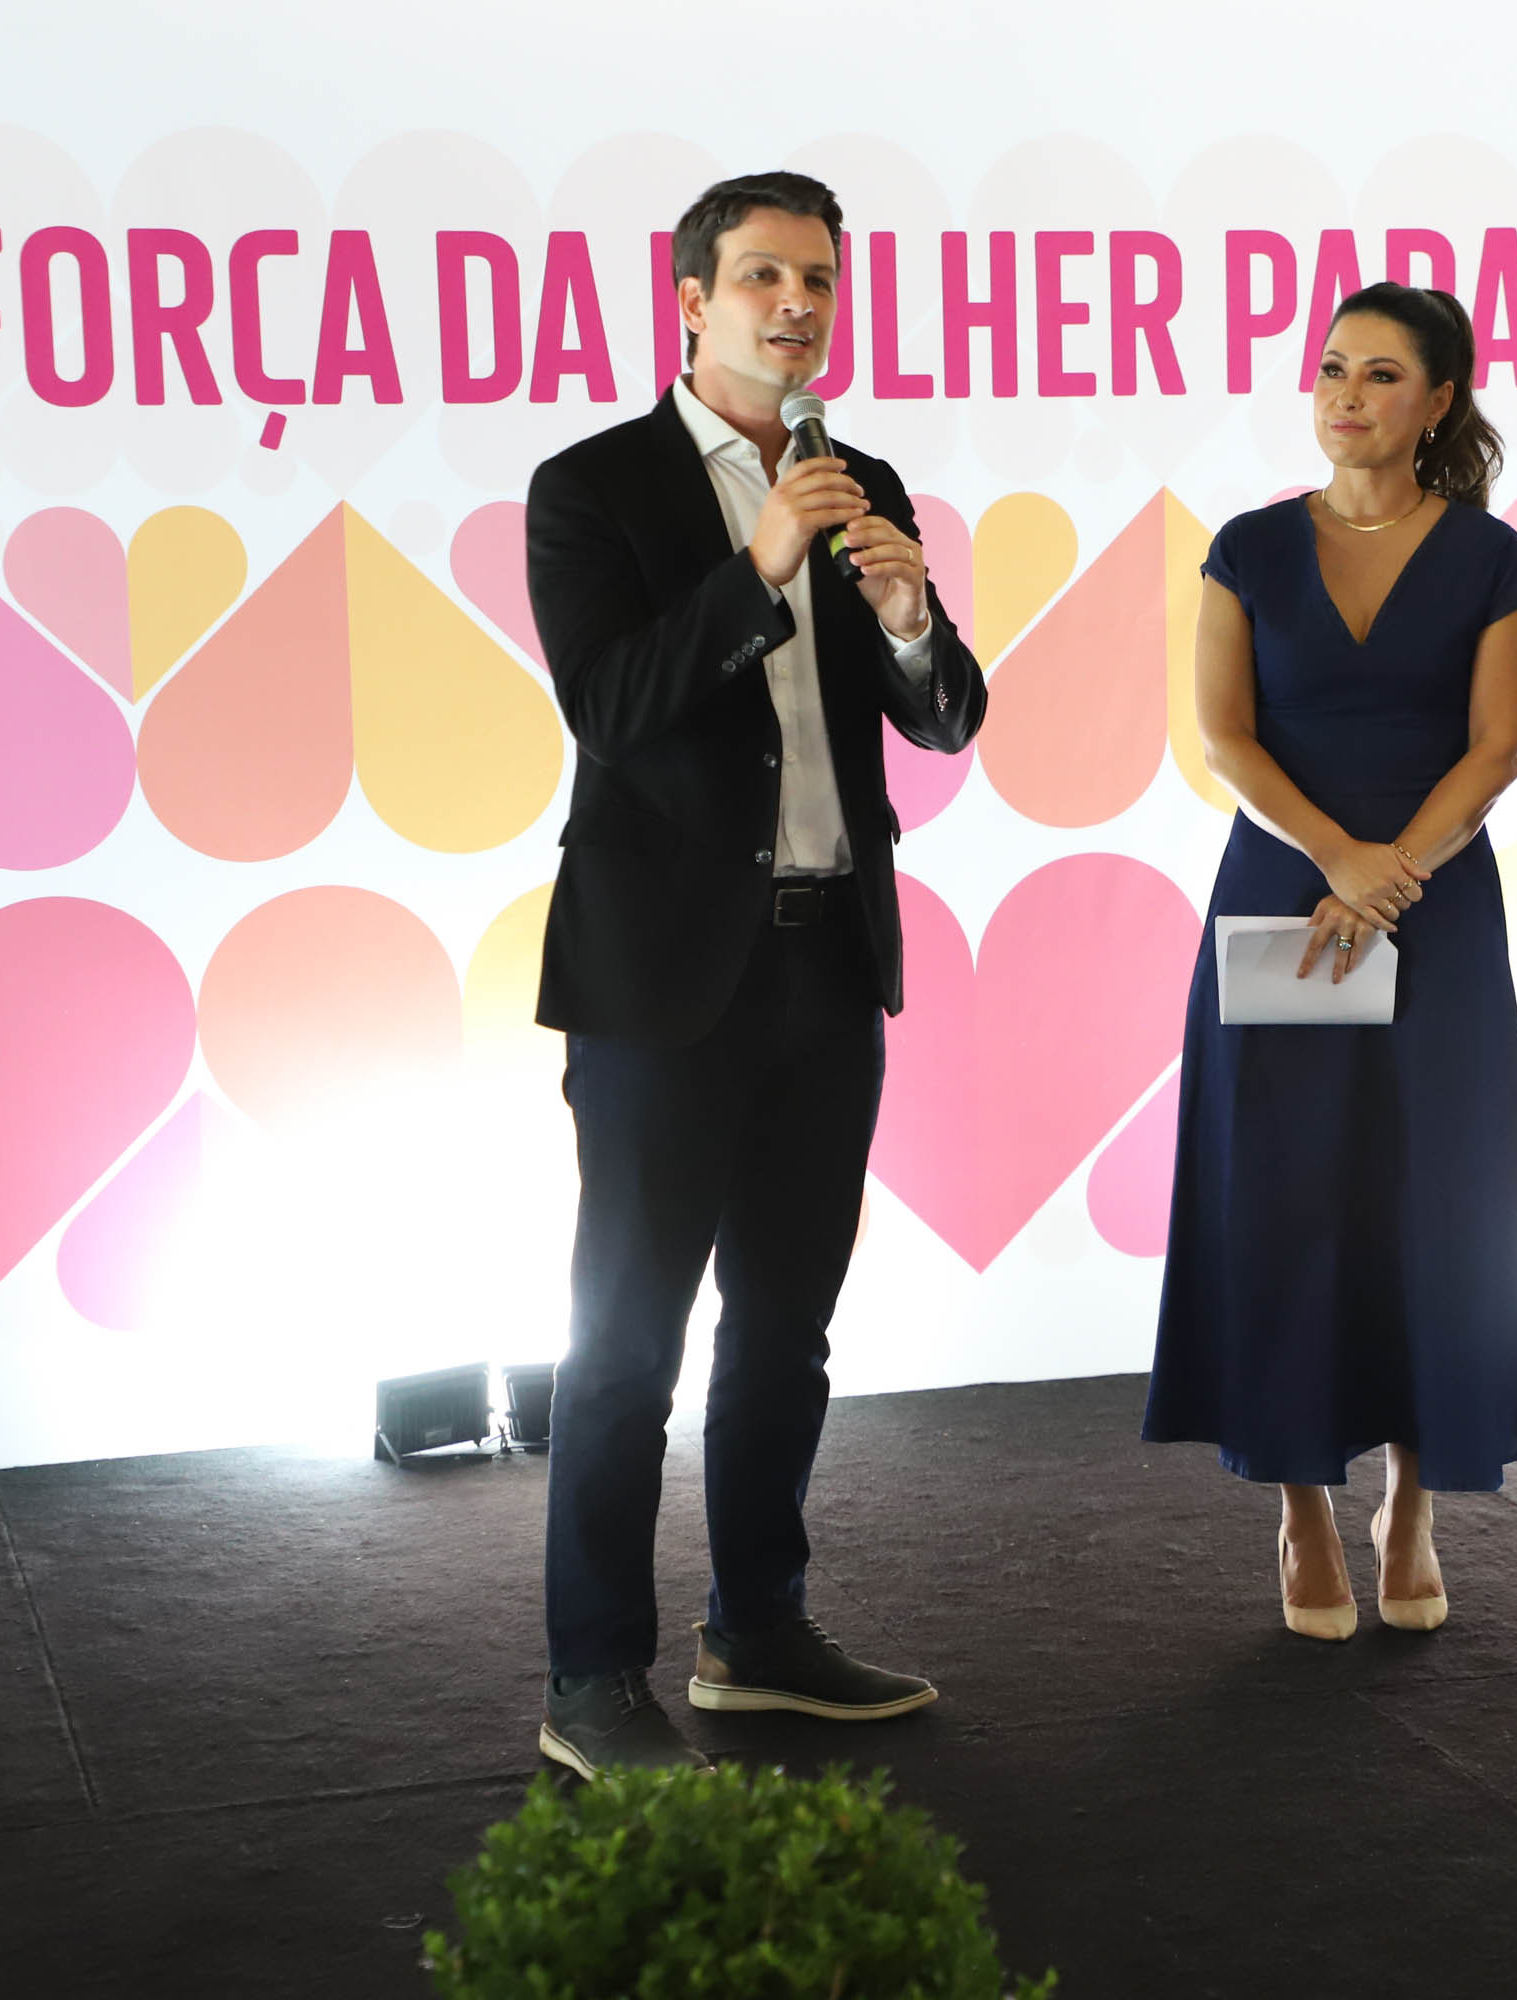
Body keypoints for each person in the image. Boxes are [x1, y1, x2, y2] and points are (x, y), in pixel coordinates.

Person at [521, 171, 986, 1774]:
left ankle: (759, 1631)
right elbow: (616, 708)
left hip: (826, 964)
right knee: (626, 1339)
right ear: (692, 299)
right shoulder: (594, 488)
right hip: (660, 987)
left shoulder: (860, 477)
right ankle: (593, 1679)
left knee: (787, 1325)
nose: (799, 306)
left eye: (821, 283)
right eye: (767, 277)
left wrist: (914, 621)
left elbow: (944, 718)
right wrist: (763, 559)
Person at [1143, 282, 1517, 1642]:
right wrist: (1340, 860)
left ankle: (1417, 1504)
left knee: (1435, 1200)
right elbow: (1226, 741)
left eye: (1382, 374)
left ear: (1439, 402)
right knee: (1285, 1196)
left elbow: (1495, 751)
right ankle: (1301, 1512)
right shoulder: (1250, 550)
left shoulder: (1489, 555)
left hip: (1435, 907)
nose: (1345, 394)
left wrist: (1396, 876)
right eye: (1332, 368)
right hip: (1287, 892)